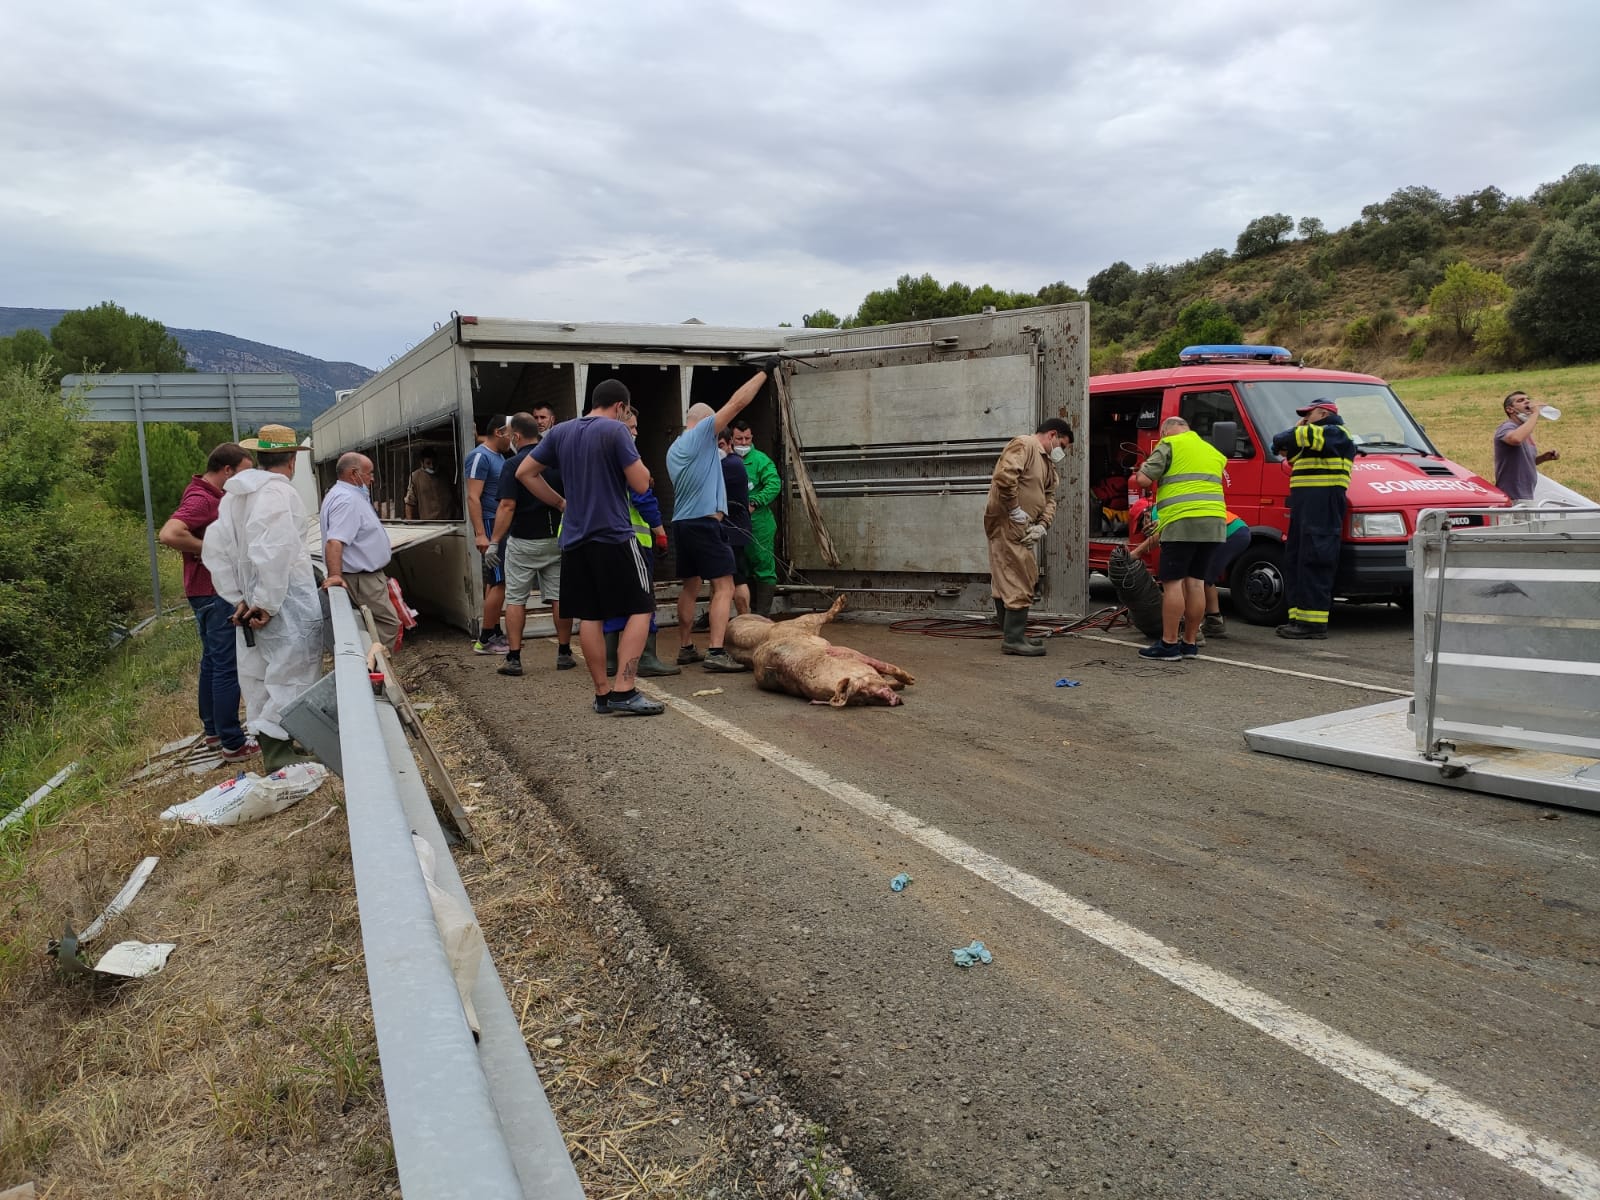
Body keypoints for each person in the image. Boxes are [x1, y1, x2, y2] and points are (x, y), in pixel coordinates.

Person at [515, 379, 663, 715]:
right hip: (614, 536)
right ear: (620, 407)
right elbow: (641, 483)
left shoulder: (560, 432)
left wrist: (560, 502)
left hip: (574, 541)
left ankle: (602, 694)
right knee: (642, 607)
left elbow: (525, 472)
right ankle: (625, 688)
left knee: (590, 616)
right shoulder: (616, 431)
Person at [201, 425, 323, 770]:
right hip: (283, 602)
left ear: (259, 456)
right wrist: (266, 604)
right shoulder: (279, 493)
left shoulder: (236, 496)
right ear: (292, 460)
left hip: (252, 601)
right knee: (292, 670)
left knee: (262, 674)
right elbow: (275, 550)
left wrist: (238, 598)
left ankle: (279, 745)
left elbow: (216, 549)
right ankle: (278, 751)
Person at [159, 442, 258, 761]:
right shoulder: (203, 498)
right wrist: (213, 549)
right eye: (243, 473)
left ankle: (214, 731)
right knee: (227, 665)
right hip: (215, 593)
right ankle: (233, 742)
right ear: (227, 470)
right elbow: (170, 534)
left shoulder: (206, 494)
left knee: (213, 662)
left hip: (202, 591)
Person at [669, 372, 769, 671]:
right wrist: (765, 372)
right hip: (705, 523)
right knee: (725, 586)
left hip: (682, 523)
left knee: (690, 586)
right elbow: (737, 403)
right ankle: (715, 651)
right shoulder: (699, 434)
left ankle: (686, 647)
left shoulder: (675, 448)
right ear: (704, 422)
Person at [485, 412, 575, 677]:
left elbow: (507, 505)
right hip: (557, 538)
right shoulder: (557, 460)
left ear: (516, 436)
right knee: (559, 597)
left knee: (515, 599)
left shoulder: (513, 464)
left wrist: (494, 541)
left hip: (523, 540)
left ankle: (514, 658)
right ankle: (564, 653)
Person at [1131, 416, 1227, 661]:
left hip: (1182, 521)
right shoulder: (1211, 450)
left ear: (1165, 432)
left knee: (1173, 583)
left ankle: (1169, 643)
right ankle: (1190, 643)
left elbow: (1143, 479)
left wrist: (1144, 467)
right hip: (1215, 522)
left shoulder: (1169, 444)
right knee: (1196, 582)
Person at [597, 410, 679, 678]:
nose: (635, 433)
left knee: (611, 598)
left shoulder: (597, 458)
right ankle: (647, 658)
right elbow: (643, 497)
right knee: (643, 601)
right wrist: (660, 531)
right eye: (631, 428)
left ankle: (610, 660)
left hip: (604, 541)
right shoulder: (626, 458)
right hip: (634, 542)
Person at [983, 417, 1073, 656]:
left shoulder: (1047, 464)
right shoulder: (1024, 445)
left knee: (1010, 576)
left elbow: (1050, 497)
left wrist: (1042, 524)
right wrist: (1014, 509)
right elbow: (1005, 477)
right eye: (1062, 445)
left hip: (1023, 525)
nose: (1062, 452)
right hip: (1007, 522)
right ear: (1052, 435)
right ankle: (1013, 639)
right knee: (1020, 577)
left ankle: (1013, 634)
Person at [1270, 398, 1355, 640]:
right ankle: (1297, 619)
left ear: (1324, 413)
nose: (1305, 419)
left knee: (1316, 559)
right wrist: (1288, 439)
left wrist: (1295, 431)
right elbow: (1279, 448)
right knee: (1296, 559)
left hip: (1324, 503)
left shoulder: (1335, 432)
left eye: (1309, 414)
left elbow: (1282, 438)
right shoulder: (1314, 439)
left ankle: (1313, 624)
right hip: (1306, 506)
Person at [320, 452, 402, 652]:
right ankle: (375, 667)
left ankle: (374, 665)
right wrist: (335, 575)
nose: (372, 478)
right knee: (387, 625)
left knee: (375, 626)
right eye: (369, 473)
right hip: (362, 579)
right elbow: (335, 541)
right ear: (354, 474)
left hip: (364, 577)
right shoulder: (347, 500)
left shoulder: (345, 495)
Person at [466, 416, 513, 654]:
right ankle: (485, 639)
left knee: (494, 580)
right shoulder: (480, 457)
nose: (512, 439)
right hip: (491, 524)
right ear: (498, 432)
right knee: (500, 581)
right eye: (510, 433)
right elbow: (473, 496)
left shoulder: (498, 456)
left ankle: (494, 630)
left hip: (499, 524)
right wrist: (480, 534)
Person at [731, 419, 781, 616]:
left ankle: (763, 616)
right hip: (735, 525)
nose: (743, 443)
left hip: (759, 524)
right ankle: (749, 616)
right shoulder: (725, 460)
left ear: (752, 438)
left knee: (763, 565)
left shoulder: (760, 460)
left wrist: (755, 502)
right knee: (743, 568)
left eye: (747, 438)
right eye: (739, 439)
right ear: (731, 439)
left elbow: (774, 484)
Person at [1493, 390, 1559, 502]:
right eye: (1521, 400)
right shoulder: (1507, 427)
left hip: (1525, 495)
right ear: (1510, 409)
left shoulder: (1524, 431)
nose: (1527, 402)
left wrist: (1543, 458)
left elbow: (1523, 462)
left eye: (1528, 399)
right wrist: (1535, 414)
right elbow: (1515, 439)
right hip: (1512, 497)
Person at [1201, 509, 1251, 639]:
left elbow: (1160, 536)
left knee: (1201, 577)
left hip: (1231, 533)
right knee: (1205, 577)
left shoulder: (1158, 512)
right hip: (1238, 530)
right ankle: (1214, 622)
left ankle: (1200, 627)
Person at [720, 429, 754, 614]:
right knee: (720, 579)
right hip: (726, 529)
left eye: (720, 445)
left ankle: (745, 618)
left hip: (734, 530)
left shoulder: (731, 464)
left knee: (738, 578)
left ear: (729, 443)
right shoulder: (727, 462)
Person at [404, 448, 456, 521]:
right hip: (428, 522)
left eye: (434, 463)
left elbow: (455, 496)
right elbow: (409, 502)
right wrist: (410, 523)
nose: (432, 466)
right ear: (422, 463)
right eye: (428, 463)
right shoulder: (415, 477)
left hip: (448, 521)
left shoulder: (445, 474)